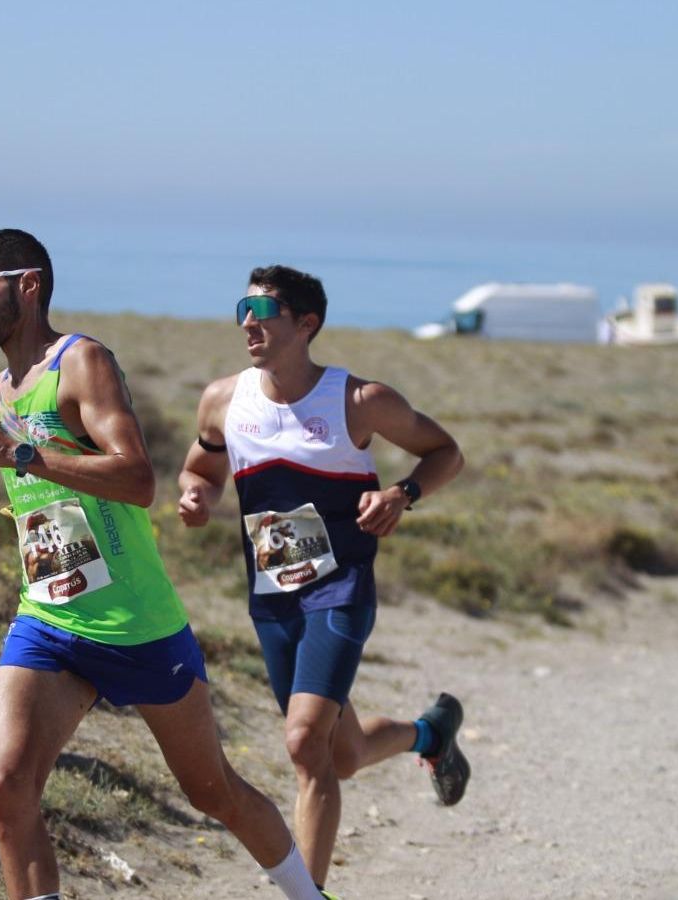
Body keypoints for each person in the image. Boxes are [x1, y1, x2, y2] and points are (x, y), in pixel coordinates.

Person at [0, 230, 324, 900]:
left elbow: (136, 480)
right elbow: (52, 512)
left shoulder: (81, 361)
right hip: (50, 620)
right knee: (6, 786)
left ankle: (309, 895)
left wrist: (17, 455)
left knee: (214, 793)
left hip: (135, 625)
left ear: (26, 285)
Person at [176, 264, 471, 893]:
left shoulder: (358, 401)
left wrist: (402, 493)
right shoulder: (224, 399)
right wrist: (197, 497)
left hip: (339, 589)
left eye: (263, 311)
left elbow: (446, 452)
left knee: (305, 741)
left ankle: (308, 893)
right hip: (273, 594)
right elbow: (201, 466)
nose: (248, 322)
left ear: (306, 324)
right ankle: (431, 734)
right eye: (242, 309)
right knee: (342, 754)